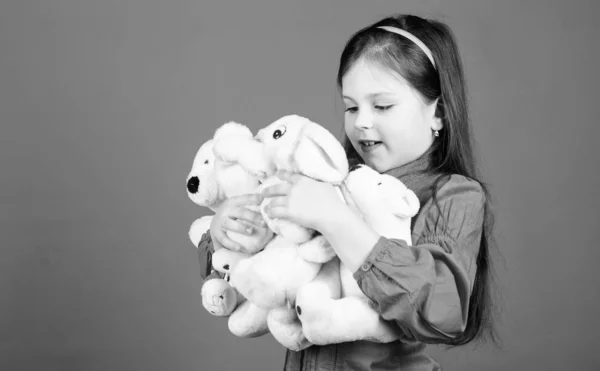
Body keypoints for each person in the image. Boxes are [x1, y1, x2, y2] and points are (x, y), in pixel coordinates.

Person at [197, 13, 497, 371]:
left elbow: (443, 310)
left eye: (382, 106)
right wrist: (225, 235)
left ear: (439, 113)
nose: (362, 121)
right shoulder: (325, 178)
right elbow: (267, 267)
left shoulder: (454, 196)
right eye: (351, 107)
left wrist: (336, 220)